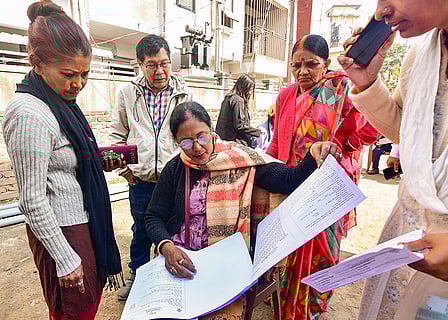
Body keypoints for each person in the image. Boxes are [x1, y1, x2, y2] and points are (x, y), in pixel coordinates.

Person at [338, 0, 448, 318]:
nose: (380, 11)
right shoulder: (419, 55)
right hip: (405, 245)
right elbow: (410, 138)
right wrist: (366, 82)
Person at [144, 101, 342, 319]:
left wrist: (312, 155)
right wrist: (166, 246)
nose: (197, 147)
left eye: (201, 137)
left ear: (212, 131)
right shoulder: (175, 169)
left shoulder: (241, 159)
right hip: (181, 256)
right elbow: (154, 216)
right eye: (187, 142)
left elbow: (288, 180)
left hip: (227, 262)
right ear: (177, 142)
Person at [2, 1, 123, 318]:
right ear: (38, 64)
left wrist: (98, 162)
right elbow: (31, 199)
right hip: (62, 231)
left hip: (82, 222)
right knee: (73, 312)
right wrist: (65, 257)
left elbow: (69, 162)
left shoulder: (61, 102)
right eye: (68, 74)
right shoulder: (29, 114)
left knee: (87, 306)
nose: (78, 84)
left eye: (84, 74)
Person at [267, 34, 377, 318]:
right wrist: (268, 169)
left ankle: (315, 308)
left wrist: (342, 146)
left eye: (311, 64)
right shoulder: (285, 96)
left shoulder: (339, 89)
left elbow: (371, 128)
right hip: (291, 185)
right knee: (287, 249)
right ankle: (289, 302)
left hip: (327, 188)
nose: (303, 72)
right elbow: (278, 142)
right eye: (296, 65)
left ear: (325, 63)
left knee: (322, 253)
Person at [110, 34, 193, 300]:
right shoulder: (127, 93)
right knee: (141, 229)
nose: (160, 71)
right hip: (142, 180)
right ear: (140, 64)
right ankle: (137, 275)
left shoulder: (183, 93)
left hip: (176, 177)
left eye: (164, 63)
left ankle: (167, 277)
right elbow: (117, 135)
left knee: (176, 227)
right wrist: (127, 172)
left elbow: (191, 132)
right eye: (151, 65)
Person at [215, 73, 261, 147]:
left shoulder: (229, 97)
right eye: (250, 89)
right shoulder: (238, 100)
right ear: (244, 87)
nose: (250, 92)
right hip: (235, 142)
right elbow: (240, 125)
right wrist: (258, 132)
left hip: (224, 140)